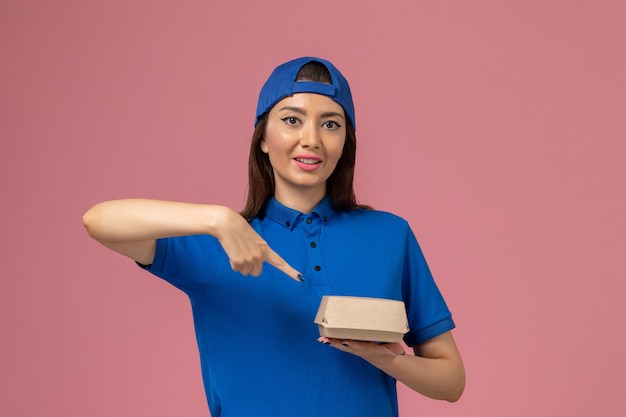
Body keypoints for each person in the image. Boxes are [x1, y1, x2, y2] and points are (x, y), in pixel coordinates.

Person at [83, 56, 465, 416]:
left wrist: (386, 358)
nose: (312, 139)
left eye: (331, 124)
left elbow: (451, 381)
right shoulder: (221, 243)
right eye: (292, 120)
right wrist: (218, 219)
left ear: (345, 141)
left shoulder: (390, 236)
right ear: (263, 138)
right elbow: (98, 220)